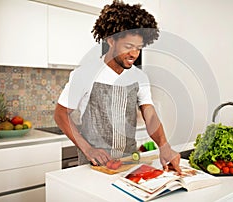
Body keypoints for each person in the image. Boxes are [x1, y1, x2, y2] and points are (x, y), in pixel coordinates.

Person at [54, 0, 181, 173]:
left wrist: (164, 145)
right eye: (128, 47)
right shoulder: (84, 74)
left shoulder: (139, 77)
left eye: (138, 48)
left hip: (129, 164)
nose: (134, 54)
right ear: (111, 40)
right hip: (93, 165)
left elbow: (149, 115)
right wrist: (87, 149)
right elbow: (61, 114)